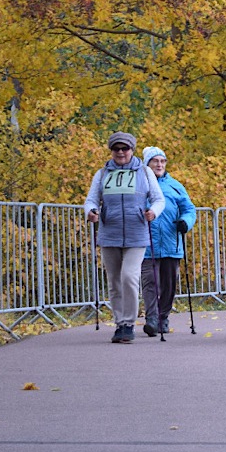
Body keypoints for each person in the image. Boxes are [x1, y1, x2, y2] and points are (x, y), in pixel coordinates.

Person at [84, 131, 166, 344]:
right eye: (116, 149)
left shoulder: (145, 172)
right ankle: (119, 323)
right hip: (109, 233)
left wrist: (153, 212)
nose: (121, 152)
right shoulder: (102, 173)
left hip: (136, 233)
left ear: (132, 150)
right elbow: (91, 199)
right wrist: (91, 212)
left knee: (129, 277)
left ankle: (129, 323)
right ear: (111, 150)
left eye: (125, 148)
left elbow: (159, 199)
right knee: (114, 281)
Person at [140, 146, 197, 336]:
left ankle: (163, 317)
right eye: (155, 161)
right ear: (147, 164)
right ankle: (152, 319)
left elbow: (189, 209)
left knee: (169, 284)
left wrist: (185, 223)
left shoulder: (175, 185)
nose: (159, 164)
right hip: (147, 245)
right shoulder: (140, 184)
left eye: (162, 161)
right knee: (150, 282)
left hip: (172, 243)